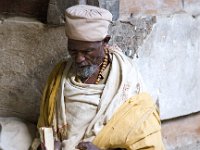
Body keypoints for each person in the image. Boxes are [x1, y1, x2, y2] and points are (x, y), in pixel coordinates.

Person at [33, 4, 165, 150]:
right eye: (73, 51)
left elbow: (147, 143)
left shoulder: (126, 79)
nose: (79, 59)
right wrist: (48, 144)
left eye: (87, 51)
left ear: (105, 42)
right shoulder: (59, 75)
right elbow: (44, 125)